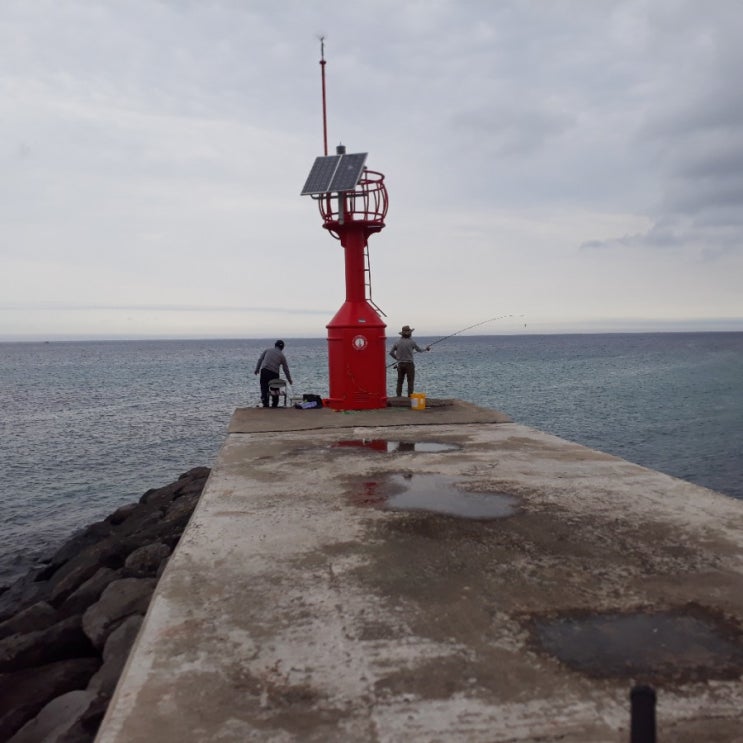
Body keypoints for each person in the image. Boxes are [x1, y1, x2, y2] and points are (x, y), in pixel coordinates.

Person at [389, 325, 430, 397]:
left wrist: (398, 359)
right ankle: (410, 398)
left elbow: (391, 353)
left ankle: (398, 397)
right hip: (409, 364)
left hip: (400, 364)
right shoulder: (412, 342)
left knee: (400, 382)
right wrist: (426, 349)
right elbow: (419, 350)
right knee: (410, 382)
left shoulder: (397, 342)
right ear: (410, 333)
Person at [254, 340, 293, 408]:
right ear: (282, 348)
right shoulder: (282, 356)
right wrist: (289, 379)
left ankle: (265, 403)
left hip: (264, 371)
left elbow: (260, 359)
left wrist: (257, 369)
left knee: (264, 388)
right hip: (274, 373)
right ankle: (274, 404)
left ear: (275, 345)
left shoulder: (267, 350)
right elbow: (285, 369)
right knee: (275, 388)